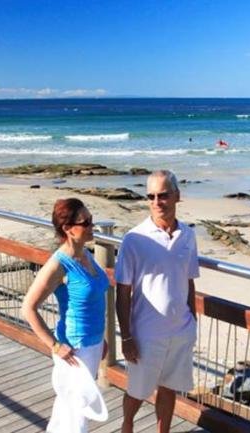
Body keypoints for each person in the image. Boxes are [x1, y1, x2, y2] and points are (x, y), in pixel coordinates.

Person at [115, 169, 200, 433]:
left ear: (176, 196)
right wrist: (126, 337)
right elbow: (122, 292)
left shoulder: (187, 234)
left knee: (169, 388)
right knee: (137, 391)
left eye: (162, 195)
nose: (156, 202)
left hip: (180, 331)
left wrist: (193, 320)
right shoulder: (134, 239)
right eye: (151, 196)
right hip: (146, 334)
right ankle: (127, 426)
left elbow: (188, 279)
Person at [22, 198, 111, 433]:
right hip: (74, 349)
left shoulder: (85, 255)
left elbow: (92, 302)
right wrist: (54, 345)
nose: (92, 226)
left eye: (92, 220)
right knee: (76, 415)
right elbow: (28, 308)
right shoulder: (58, 265)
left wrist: (101, 339)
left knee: (66, 410)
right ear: (68, 229)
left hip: (91, 345)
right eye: (86, 222)